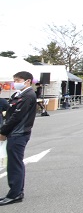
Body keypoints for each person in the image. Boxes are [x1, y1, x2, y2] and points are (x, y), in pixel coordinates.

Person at [0, 71, 37, 205]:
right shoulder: (19, 94)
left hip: (18, 133)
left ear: (27, 81)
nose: (15, 82)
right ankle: (15, 192)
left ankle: (15, 193)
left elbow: (16, 116)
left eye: (17, 80)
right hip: (15, 132)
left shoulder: (28, 95)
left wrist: (3, 131)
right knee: (13, 163)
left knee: (15, 164)